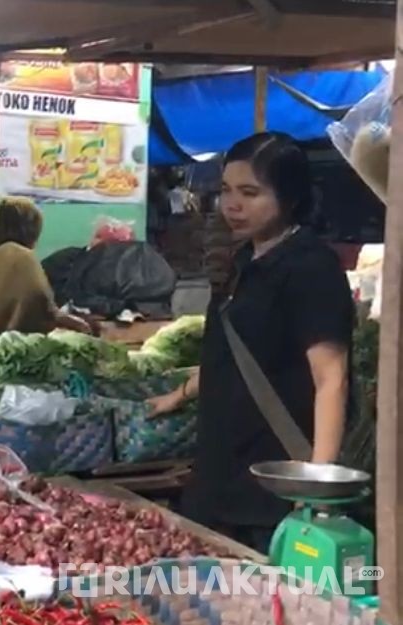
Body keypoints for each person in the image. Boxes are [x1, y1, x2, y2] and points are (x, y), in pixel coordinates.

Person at [146, 132, 353, 553]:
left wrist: (316, 483)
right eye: (225, 190)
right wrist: (180, 393)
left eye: (249, 192)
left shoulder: (310, 266)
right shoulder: (243, 260)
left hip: (272, 491)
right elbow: (235, 354)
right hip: (219, 475)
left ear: (290, 196)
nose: (232, 205)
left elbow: (332, 379)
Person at [0, 197, 92, 359]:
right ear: (29, 230)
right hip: (2, 356)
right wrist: (63, 320)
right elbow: (37, 299)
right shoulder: (18, 256)